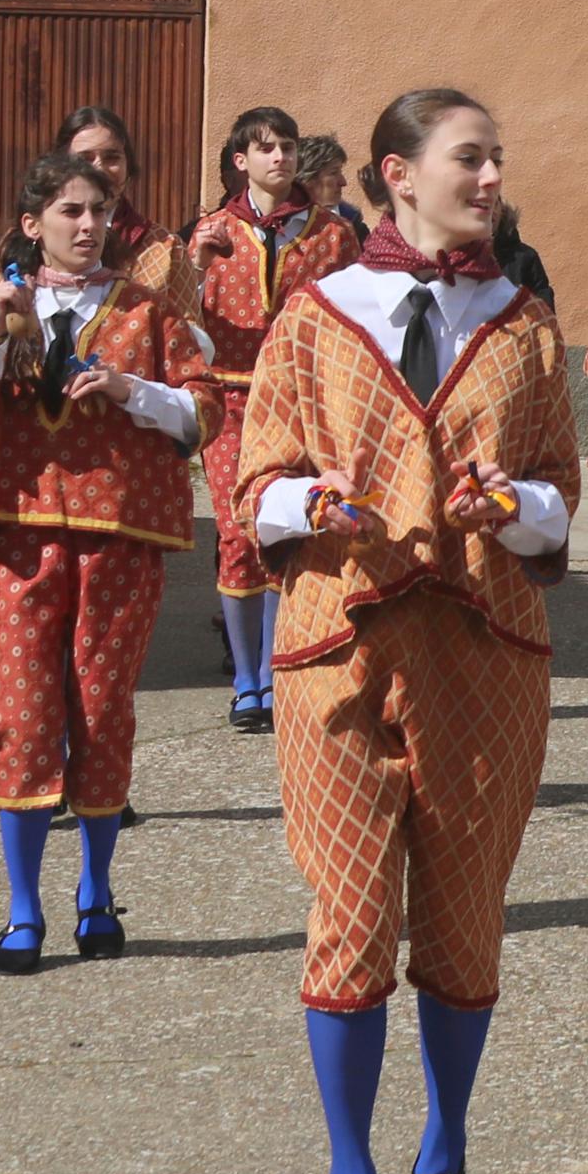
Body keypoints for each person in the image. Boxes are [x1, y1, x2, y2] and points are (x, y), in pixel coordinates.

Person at [236, 88, 582, 1174]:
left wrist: (516, 504)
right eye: (468, 158)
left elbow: (556, 497)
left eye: (497, 157)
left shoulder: (525, 323)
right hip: (338, 644)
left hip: (482, 649)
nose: (490, 178)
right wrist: (307, 503)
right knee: (346, 914)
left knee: (463, 912)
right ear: (398, 172)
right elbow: (257, 478)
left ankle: (443, 1146)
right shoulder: (315, 315)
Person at [0, 148, 211, 975]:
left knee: (99, 708)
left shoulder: (147, 310)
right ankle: (23, 904)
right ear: (33, 224)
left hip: (120, 534)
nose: (88, 227)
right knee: (17, 716)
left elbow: (206, 411)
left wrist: (129, 390)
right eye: (71, 212)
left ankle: (95, 885)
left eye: (99, 212)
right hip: (18, 532)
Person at [191, 104, 361, 733]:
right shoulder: (209, 231)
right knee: (238, 530)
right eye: (265, 149)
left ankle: (274, 669)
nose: (280, 158)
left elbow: (353, 319)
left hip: (304, 398)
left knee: (287, 531)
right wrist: (197, 265)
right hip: (232, 396)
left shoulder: (332, 233)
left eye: (287, 147)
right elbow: (180, 318)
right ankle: (245, 678)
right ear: (241, 162)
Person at [58, 101, 201, 326]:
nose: (99, 168)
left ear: (129, 166)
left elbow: (192, 341)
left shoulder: (165, 250)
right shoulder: (30, 242)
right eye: (85, 158)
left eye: (112, 158)